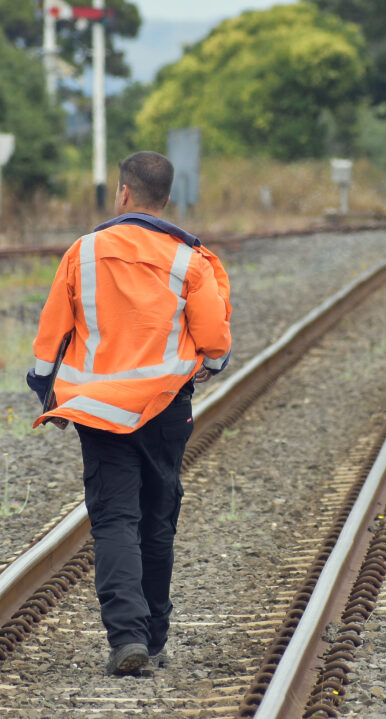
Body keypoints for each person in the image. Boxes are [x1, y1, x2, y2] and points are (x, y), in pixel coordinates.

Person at [26, 151, 233, 676]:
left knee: (115, 518)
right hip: (165, 408)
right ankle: (155, 637)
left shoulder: (84, 252)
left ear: (123, 194)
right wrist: (211, 363)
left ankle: (127, 638)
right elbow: (214, 340)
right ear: (165, 200)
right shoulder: (191, 260)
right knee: (158, 515)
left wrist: (43, 383)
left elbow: (50, 334)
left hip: (99, 408)